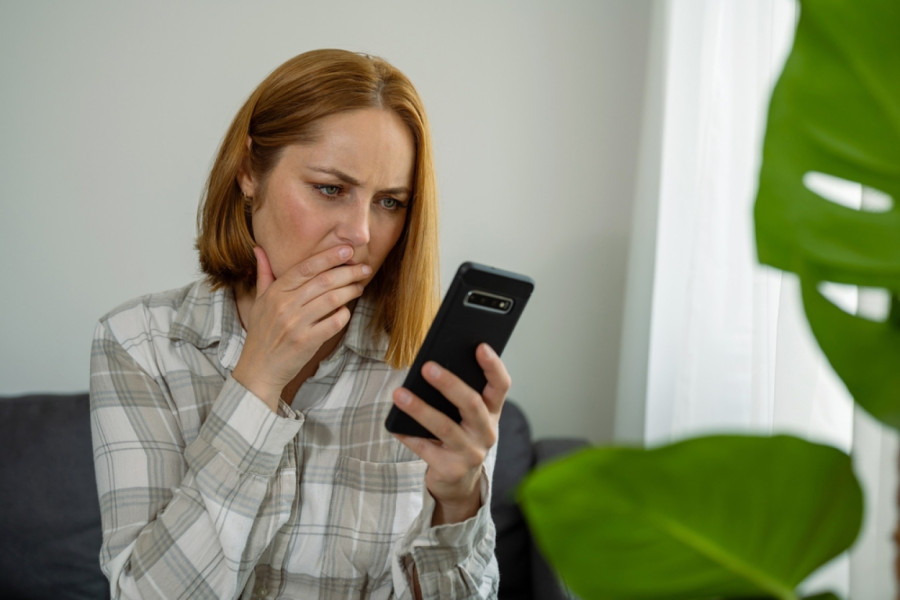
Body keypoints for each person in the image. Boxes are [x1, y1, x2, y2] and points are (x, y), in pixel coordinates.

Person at [89, 48, 507, 599]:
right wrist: (257, 382)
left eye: (389, 202)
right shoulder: (139, 344)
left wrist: (457, 501)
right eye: (331, 189)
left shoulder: (424, 365)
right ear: (248, 173)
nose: (360, 232)